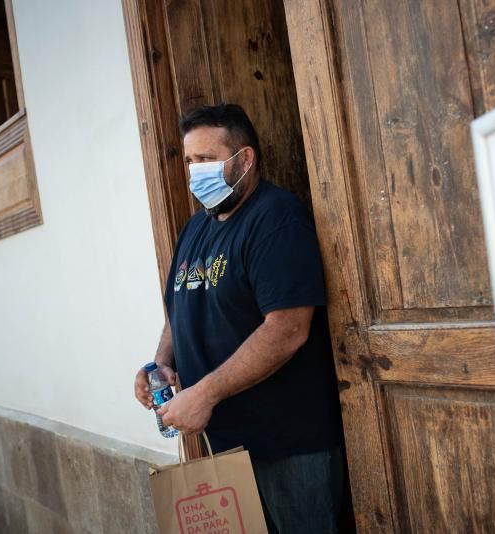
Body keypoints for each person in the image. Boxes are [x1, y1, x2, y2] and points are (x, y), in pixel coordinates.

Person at [133, 103, 345, 533]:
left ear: (244, 160)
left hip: (285, 445)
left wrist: (205, 394)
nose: (195, 172)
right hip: (223, 447)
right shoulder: (195, 229)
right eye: (190, 161)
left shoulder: (276, 219)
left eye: (207, 160)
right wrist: (161, 363)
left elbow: (287, 329)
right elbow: (179, 304)